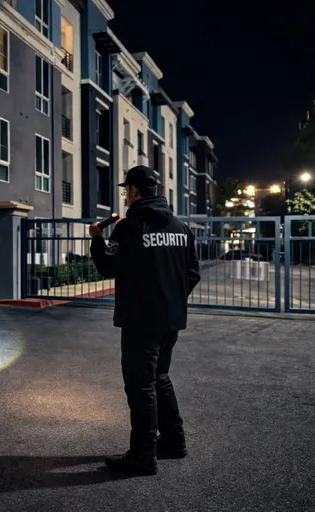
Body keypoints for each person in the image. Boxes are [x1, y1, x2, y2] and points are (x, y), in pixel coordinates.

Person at [88, 165, 201, 476]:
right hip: (171, 319)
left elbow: (108, 267)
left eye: (127, 191)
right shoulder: (180, 227)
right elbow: (193, 273)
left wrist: (97, 239)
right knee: (160, 378)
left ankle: (142, 454)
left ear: (135, 191)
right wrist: (170, 300)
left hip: (141, 321)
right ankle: (174, 442)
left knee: (140, 386)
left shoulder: (130, 226)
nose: (125, 196)